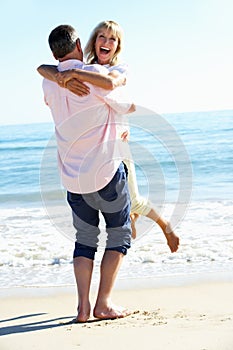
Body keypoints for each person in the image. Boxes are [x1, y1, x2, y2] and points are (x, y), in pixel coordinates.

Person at [37, 20, 179, 253]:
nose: (106, 42)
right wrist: (62, 77)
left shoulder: (119, 69)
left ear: (118, 46)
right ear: (91, 42)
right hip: (99, 149)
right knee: (117, 204)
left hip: (118, 144)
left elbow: (114, 88)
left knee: (134, 200)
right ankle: (129, 220)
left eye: (112, 39)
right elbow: (43, 68)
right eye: (102, 36)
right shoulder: (88, 68)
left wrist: (71, 75)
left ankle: (166, 227)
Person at [40, 24, 136, 323]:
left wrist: (61, 74)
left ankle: (82, 308)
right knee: (119, 234)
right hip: (106, 172)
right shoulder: (97, 79)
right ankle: (103, 304)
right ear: (81, 43)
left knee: (85, 239)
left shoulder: (50, 82)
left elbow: (43, 70)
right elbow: (122, 99)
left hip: (73, 178)